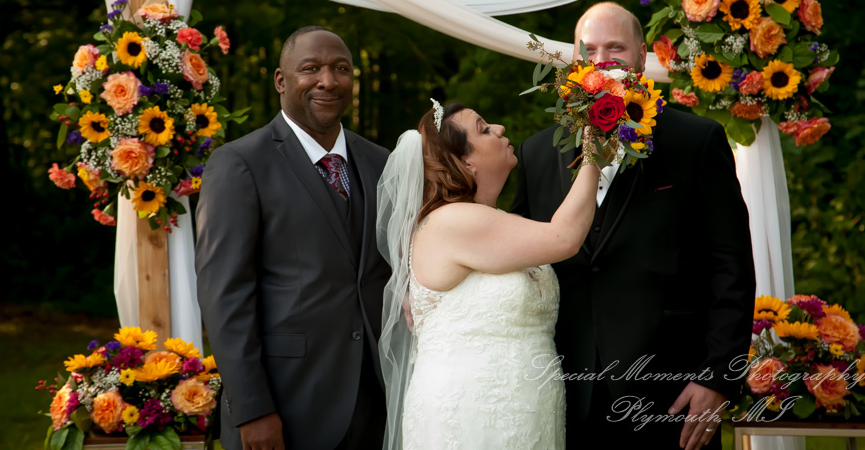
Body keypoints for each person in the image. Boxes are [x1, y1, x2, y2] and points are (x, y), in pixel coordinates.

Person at [511, 2, 756, 450]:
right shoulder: (536, 153)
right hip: (560, 389)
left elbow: (731, 267)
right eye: (590, 49)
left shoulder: (696, 141)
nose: (601, 60)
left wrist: (718, 377)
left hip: (671, 390)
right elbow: (508, 251)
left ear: (643, 58)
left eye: (616, 48)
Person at [195, 26, 390, 450]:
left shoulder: (382, 162)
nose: (328, 80)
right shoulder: (239, 164)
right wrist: (253, 409)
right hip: (285, 404)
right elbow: (224, 297)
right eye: (311, 68)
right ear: (282, 81)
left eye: (341, 68)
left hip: (376, 399)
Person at [376, 101, 601, 450]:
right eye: (483, 129)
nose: (498, 129)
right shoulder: (453, 221)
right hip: (472, 409)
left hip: (531, 405)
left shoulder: (492, 219)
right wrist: (593, 153)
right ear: (465, 161)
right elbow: (564, 238)